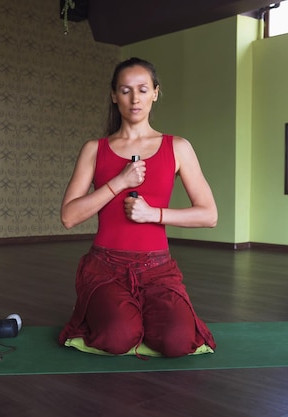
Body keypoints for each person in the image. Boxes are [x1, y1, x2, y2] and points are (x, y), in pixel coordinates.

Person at [58, 57, 217, 358]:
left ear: (155, 93)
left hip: (158, 268)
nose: (135, 98)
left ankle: (142, 315)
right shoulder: (95, 149)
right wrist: (119, 182)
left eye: (143, 89)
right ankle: (116, 314)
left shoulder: (178, 147)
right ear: (114, 95)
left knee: (177, 341)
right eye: (126, 90)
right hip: (105, 267)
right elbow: (69, 217)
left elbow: (209, 215)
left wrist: (153, 214)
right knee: (118, 338)